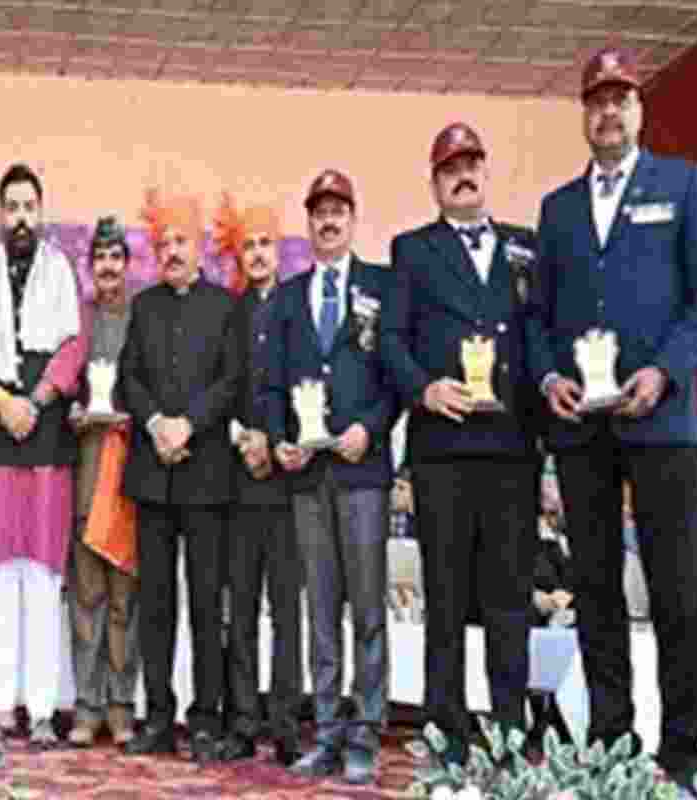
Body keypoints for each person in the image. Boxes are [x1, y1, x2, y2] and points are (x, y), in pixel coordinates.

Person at [527, 47, 697, 797]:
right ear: (584, 114)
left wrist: (664, 371)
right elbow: (537, 317)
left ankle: (683, 746)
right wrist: (548, 377)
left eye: (621, 98)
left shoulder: (681, 184)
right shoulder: (557, 209)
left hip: (662, 422)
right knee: (596, 588)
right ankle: (612, 739)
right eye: (596, 100)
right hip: (582, 430)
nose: (608, 112)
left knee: (675, 586)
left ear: (638, 110)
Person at [381, 122, 543, 765]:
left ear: (486, 172)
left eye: (472, 163)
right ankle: (446, 734)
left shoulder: (526, 246)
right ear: (435, 182)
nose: (463, 175)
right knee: (444, 600)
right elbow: (390, 339)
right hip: (442, 452)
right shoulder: (412, 250)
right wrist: (423, 389)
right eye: (451, 168)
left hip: (512, 450)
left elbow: (543, 333)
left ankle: (508, 734)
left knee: (509, 601)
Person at [263, 170, 395, 784]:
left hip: (362, 472)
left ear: (353, 218)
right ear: (309, 223)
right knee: (320, 611)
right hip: (307, 476)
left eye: (338, 210)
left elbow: (397, 376)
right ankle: (325, 731)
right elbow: (270, 386)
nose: (329, 220)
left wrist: (370, 427)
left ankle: (365, 732)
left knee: (367, 609)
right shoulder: (287, 299)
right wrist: (278, 439)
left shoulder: (381, 289)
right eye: (319, 212)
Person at [0, 163, 85, 747]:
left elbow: (73, 348)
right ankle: (1, 708)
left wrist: (34, 400)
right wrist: (2, 401)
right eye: (12, 207)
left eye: (29, 206)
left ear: (42, 211)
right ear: (0, 215)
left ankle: (42, 709)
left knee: (42, 577)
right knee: (1, 577)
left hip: (48, 440)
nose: (21, 217)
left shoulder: (62, 276)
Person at [117, 188, 242, 762]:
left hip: (206, 475)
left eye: (181, 241)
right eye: (164, 242)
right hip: (153, 474)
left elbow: (230, 381)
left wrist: (188, 425)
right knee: (156, 605)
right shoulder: (144, 307)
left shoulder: (225, 307)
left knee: (205, 602)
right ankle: (159, 717)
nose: (172, 251)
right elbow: (129, 380)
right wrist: (155, 424)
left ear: (199, 248)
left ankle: (207, 720)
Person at [217, 198, 304, 766]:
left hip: (288, 480)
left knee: (287, 611)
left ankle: (286, 724)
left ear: (279, 250)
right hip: (240, 480)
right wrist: (242, 439)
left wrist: (275, 443)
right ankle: (244, 722)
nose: (256, 254)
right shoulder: (231, 314)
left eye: (264, 244)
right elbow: (219, 384)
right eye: (247, 245)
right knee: (243, 607)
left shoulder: (297, 308)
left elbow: (307, 384)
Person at [64, 217, 140, 748]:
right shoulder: (77, 320)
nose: (108, 267)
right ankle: (87, 708)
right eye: (100, 258)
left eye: (116, 257)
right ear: (91, 266)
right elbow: (64, 385)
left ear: (127, 265)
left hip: (129, 479)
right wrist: (73, 413)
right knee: (86, 598)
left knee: (123, 603)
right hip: (86, 476)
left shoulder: (143, 317)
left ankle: (121, 706)